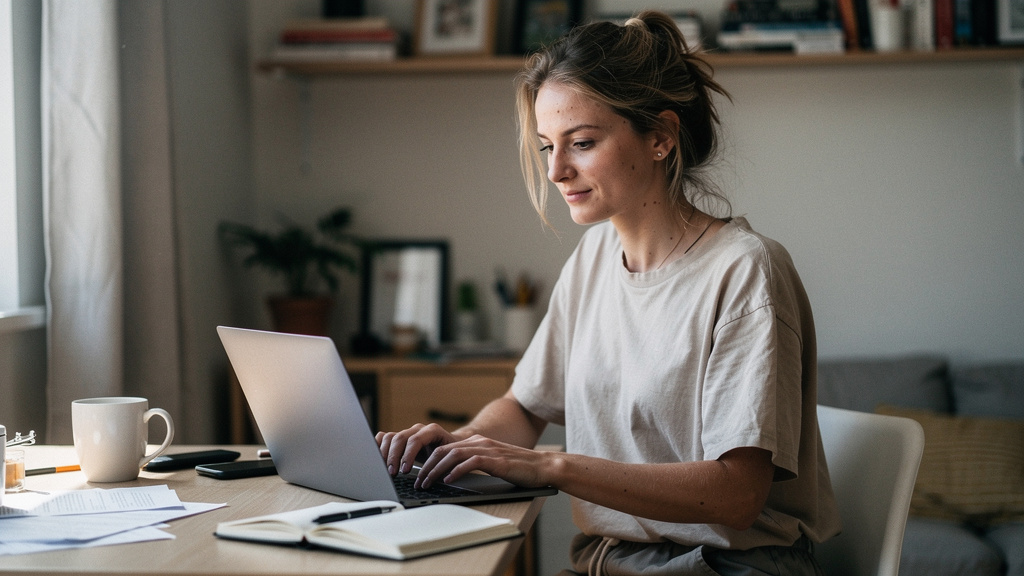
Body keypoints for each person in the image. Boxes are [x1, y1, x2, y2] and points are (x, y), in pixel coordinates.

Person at [376, 10, 841, 576]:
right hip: (608, 560)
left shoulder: (745, 270)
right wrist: (459, 446)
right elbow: (525, 407)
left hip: (726, 565)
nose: (556, 171)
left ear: (660, 138)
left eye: (581, 143)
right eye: (547, 147)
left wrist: (552, 466)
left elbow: (736, 496)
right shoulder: (595, 256)